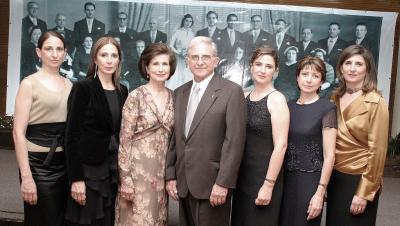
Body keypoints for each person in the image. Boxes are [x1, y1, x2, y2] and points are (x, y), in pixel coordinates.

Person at [165, 36, 246, 226]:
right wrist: (170, 176)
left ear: (216, 61)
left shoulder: (231, 92)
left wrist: (223, 183)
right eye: (194, 57)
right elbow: (174, 140)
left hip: (213, 185)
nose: (200, 62)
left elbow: (234, 142)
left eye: (205, 57)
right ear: (187, 61)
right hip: (183, 184)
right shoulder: (179, 92)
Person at [65, 37, 128, 226]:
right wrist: (76, 179)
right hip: (88, 172)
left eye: (113, 55)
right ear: (95, 58)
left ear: (119, 60)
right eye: (103, 55)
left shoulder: (122, 90)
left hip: (112, 170)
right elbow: (71, 137)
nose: (109, 60)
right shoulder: (83, 88)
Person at [13, 31, 72, 226]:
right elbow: (18, 133)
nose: (54, 54)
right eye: (49, 49)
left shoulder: (70, 85)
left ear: (65, 53)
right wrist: (26, 177)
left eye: (59, 49)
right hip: (38, 167)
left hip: (64, 166)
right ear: (39, 52)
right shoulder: (29, 84)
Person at [326, 45, 389, 226]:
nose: (352, 68)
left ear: (367, 69)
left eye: (359, 64)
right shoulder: (334, 98)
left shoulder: (376, 102)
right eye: (348, 63)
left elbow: (378, 151)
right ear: (340, 68)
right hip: (335, 177)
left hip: (360, 178)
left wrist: (364, 192)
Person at [114, 43, 176, 226]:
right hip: (136, 175)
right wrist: (125, 180)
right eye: (156, 64)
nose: (161, 68)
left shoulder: (174, 97)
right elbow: (124, 141)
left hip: (161, 176)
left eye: (165, 64)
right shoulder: (136, 96)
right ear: (147, 67)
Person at [232, 45, 289, 226]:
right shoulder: (244, 95)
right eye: (258, 64)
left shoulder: (277, 99)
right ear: (251, 66)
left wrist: (268, 185)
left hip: (264, 178)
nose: (262, 70)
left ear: (276, 71)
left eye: (269, 66)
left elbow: (281, 146)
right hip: (243, 178)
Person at [280, 56, 337, 226]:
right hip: (284, 182)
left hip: (310, 183)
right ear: (297, 78)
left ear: (322, 82)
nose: (309, 80)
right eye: (305, 74)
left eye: (315, 76)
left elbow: (330, 156)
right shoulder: (288, 106)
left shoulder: (327, 108)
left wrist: (320, 193)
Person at [166, 14, 195, 90]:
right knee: (177, 75)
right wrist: (178, 52)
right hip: (178, 57)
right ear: (183, 21)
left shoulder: (192, 33)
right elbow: (170, 45)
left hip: (188, 58)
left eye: (190, 21)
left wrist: (188, 53)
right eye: (186, 21)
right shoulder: (178, 32)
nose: (188, 23)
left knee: (187, 75)